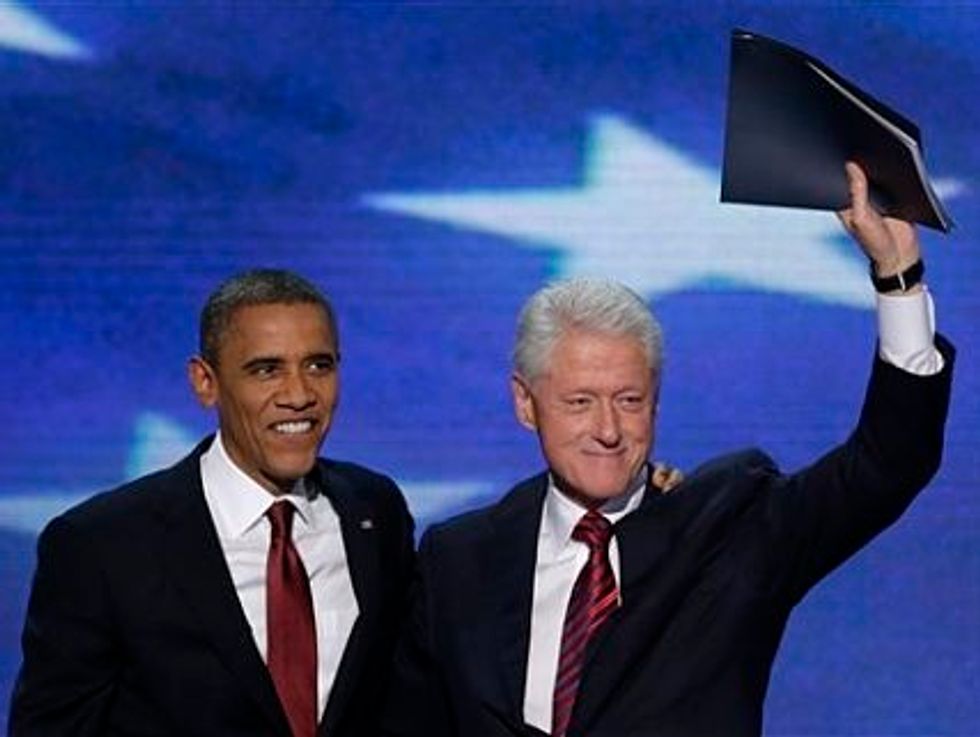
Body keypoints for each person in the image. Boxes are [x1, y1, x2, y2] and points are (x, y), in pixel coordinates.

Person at [378, 163, 955, 737]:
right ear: (526, 404)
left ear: (656, 402)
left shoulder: (731, 530)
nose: (608, 429)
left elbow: (887, 464)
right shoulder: (459, 561)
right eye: (580, 402)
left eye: (629, 400)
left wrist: (897, 275)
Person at [10, 270, 415, 737]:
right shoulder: (102, 545)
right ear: (205, 382)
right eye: (267, 370)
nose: (299, 395)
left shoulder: (374, 510)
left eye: (318, 365)